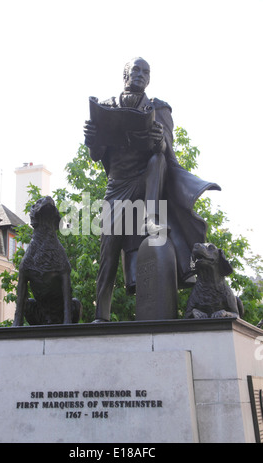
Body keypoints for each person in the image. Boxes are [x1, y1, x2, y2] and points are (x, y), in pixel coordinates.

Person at [84, 57, 220, 322]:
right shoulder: (106, 107)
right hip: (117, 187)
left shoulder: (158, 109)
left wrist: (159, 143)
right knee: (108, 250)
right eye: (135, 69)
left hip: (149, 180)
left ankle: (151, 216)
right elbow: (96, 154)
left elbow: (167, 155)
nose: (140, 74)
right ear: (125, 74)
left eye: (145, 71)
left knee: (156, 160)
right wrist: (91, 139)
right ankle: (102, 315)